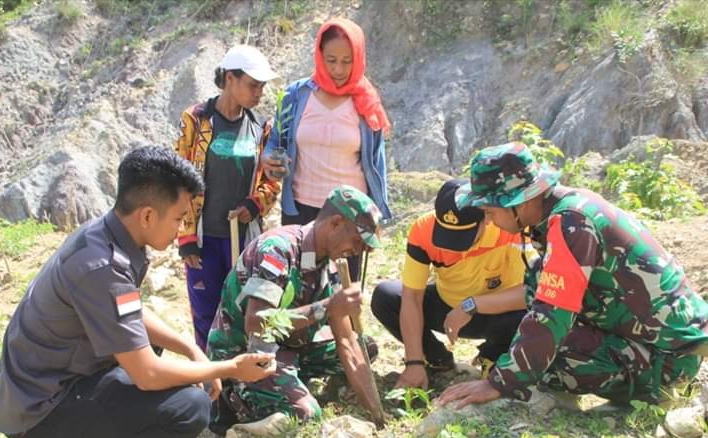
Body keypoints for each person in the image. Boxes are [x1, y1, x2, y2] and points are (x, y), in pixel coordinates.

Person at [0, 146, 276, 438]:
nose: (181, 228)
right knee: (189, 406)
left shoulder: (109, 235)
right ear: (148, 216)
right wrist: (227, 368)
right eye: (178, 218)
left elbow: (128, 307)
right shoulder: (100, 266)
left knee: (152, 347)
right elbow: (148, 375)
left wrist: (190, 350)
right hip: (39, 411)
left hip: (51, 383)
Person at [436, 142, 708, 409]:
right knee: (528, 330)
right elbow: (541, 295)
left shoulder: (572, 223)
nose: (491, 220)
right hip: (659, 346)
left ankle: (663, 392)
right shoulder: (567, 210)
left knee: (547, 352)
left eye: (490, 211)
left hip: (669, 359)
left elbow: (552, 316)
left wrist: (499, 384)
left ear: (519, 203)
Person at [206, 185, 383, 434]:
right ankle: (234, 400)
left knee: (366, 347)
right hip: (247, 353)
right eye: (357, 241)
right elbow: (257, 324)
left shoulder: (330, 264)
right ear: (335, 223)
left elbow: (346, 341)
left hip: (290, 348)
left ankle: (289, 382)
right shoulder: (278, 250)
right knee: (306, 414)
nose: (357, 251)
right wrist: (328, 307)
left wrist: (377, 415)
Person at [261, 17, 391, 282]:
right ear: (319, 55)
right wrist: (268, 158)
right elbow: (276, 140)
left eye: (347, 61)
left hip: (349, 215)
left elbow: (376, 164)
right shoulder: (295, 96)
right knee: (300, 283)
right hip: (301, 208)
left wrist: (377, 217)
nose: (338, 69)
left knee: (343, 288)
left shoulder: (366, 101)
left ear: (359, 58)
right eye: (331, 60)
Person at [371, 179, 532, 390]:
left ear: (486, 218)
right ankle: (436, 360)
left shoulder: (509, 227)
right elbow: (412, 296)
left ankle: (493, 356)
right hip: (446, 308)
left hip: (500, 313)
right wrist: (414, 362)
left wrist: (472, 305)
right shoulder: (422, 230)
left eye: (463, 237)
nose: (455, 248)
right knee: (386, 297)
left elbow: (533, 291)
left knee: (531, 315)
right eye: (447, 236)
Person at [175, 44, 281, 351]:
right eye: (252, 85)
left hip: (242, 239)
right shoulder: (196, 121)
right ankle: (210, 381)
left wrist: (254, 204)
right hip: (205, 238)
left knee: (240, 309)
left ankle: (237, 381)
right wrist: (186, 236)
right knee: (206, 313)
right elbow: (177, 177)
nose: (259, 92)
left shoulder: (261, 129)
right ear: (230, 79)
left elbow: (272, 181)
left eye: (262, 86)